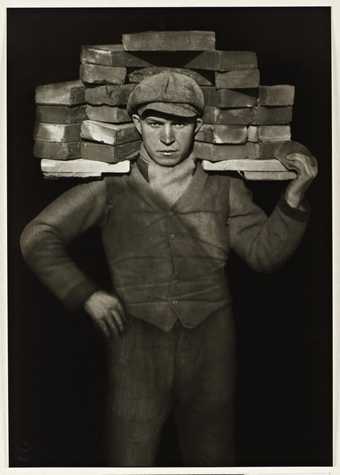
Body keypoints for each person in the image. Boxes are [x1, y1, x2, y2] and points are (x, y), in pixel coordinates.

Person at [20, 71, 318, 466]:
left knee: (212, 458)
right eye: (156, 123)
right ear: (138, 124)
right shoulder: (112, 187)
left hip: (210, 343)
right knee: (131, 455)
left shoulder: (224, 189)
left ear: (197, 126)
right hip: (136, 342)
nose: (166, 138)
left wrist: (293, 200)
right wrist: (85, 293)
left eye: (179, 124)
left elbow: (265, 255)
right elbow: (37, 235)